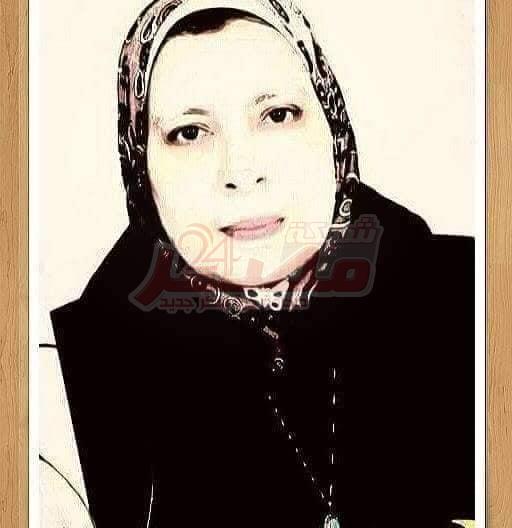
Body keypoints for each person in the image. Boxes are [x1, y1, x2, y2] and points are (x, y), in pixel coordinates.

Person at [45, 1, 475, 527]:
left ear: (333, 131)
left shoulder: (472, 300)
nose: (241, 171)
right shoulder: (61, 386)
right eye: (189, 132)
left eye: (277, 115)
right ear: (141, 165)